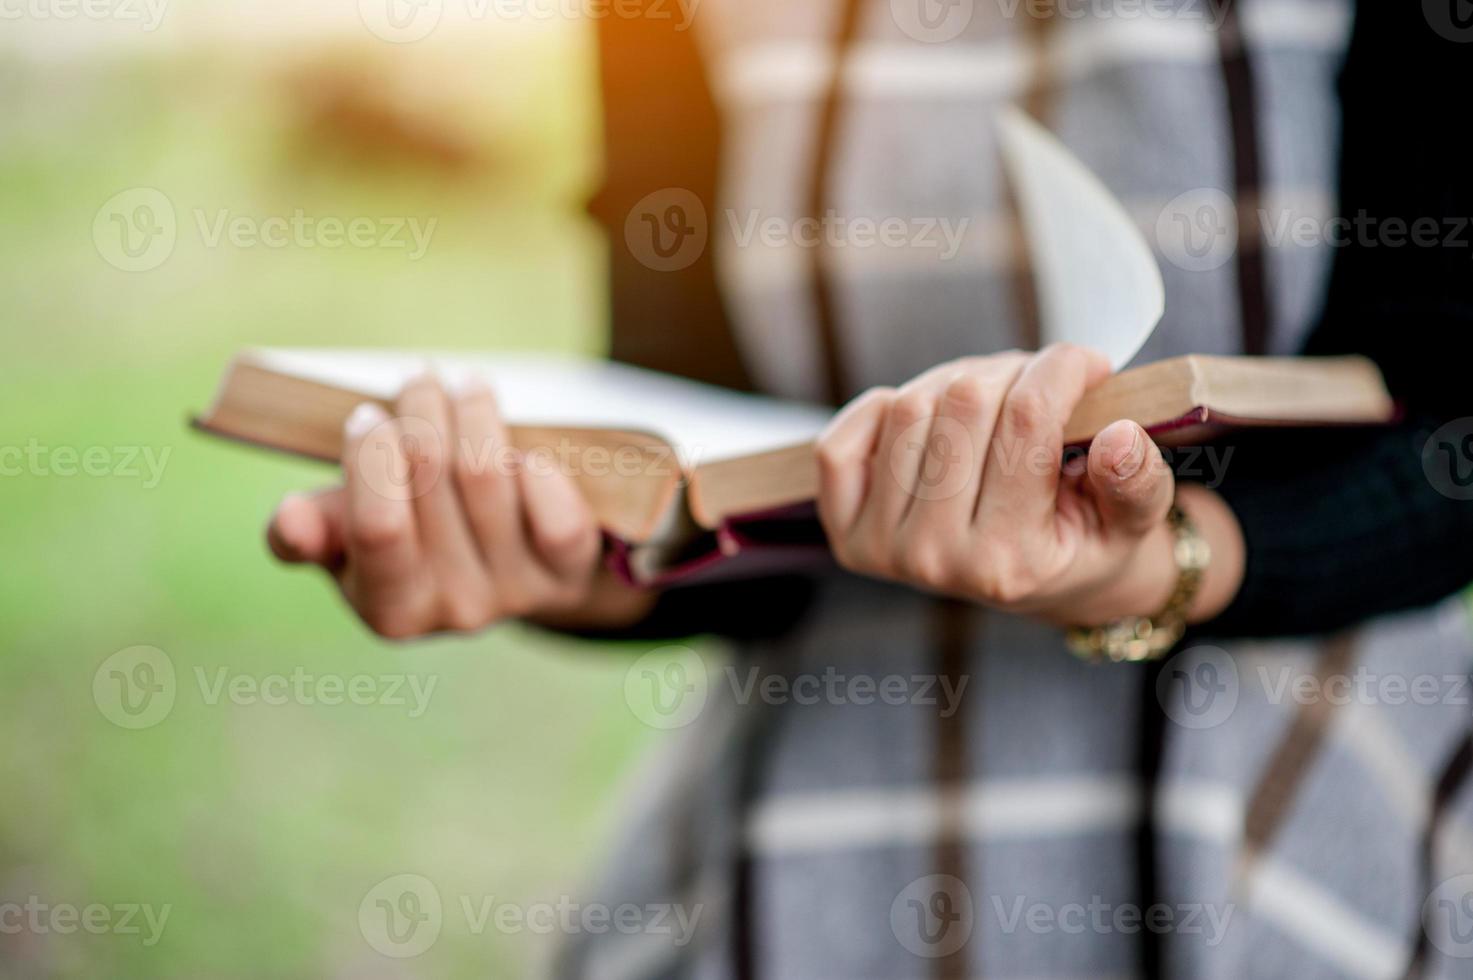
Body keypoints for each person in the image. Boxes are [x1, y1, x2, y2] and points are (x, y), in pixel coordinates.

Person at [266, 1, 1473, 975]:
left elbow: (1448, 435)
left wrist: (1164, 562)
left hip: (1294, 839)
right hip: (796, 862)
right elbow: (701, 449)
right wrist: (583, 563)